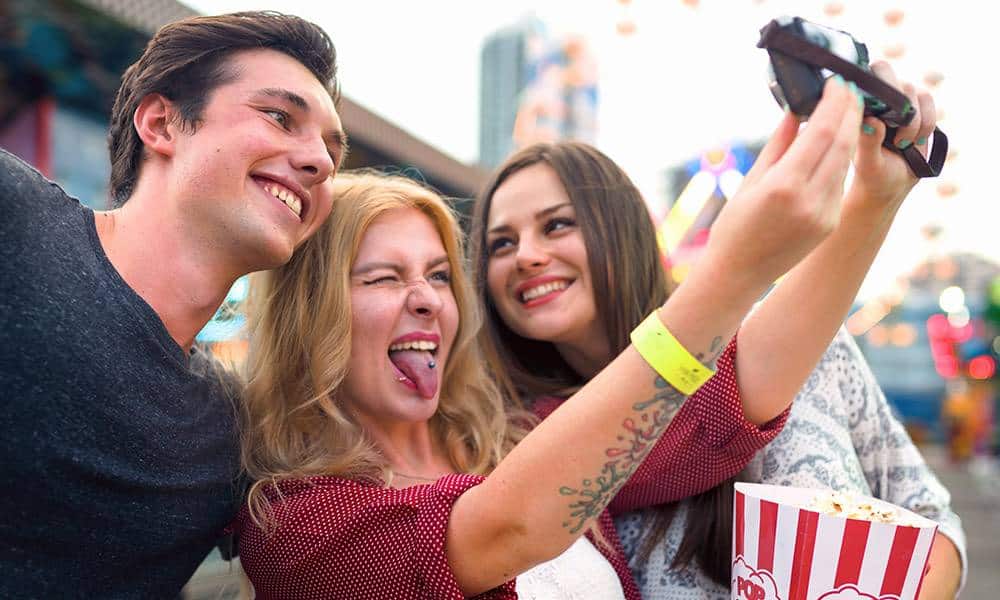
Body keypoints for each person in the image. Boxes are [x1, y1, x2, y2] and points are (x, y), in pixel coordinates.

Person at [234, 74, 866, 599]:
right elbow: (509, 526)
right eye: (381, 279)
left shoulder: (521, 432)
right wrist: (731, 273)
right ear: (310, 317)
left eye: (437, 275)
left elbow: (721, 404)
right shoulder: (293, 524)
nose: (426, 299)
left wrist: (875, 194)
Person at [470, 62, 964, 598]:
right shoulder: (511, 444)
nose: (527, 256)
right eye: (501, 243)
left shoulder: (806, 347)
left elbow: (934, 526)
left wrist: (868, 583)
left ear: (621, 230)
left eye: (557, 224)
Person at [0, 11, 345, 597]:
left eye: (334, 149)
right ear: (161, 123)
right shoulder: (15, 218)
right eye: (279, 117)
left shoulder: (233, 434)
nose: (321, 162)